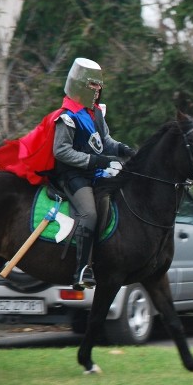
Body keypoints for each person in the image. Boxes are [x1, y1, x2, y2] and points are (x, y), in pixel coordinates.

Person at [53, 57, 135, 290]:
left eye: (99, 85)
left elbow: (104, 141)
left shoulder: (96, 112)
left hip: (94, 173)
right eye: (92, 85)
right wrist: (94, 161)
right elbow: (60, 151)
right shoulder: (67, 116)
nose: (97, 90)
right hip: (72, 175)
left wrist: (122, 149)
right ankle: (81, 270)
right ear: (79, 84)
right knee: (89, 214)